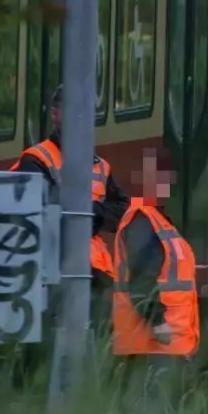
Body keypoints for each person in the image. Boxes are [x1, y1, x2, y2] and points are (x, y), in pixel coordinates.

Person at [10, 84, 128, 332]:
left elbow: (121, 209)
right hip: (51, 274)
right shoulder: (36, 159)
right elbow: (38, 212)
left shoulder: (100, 165)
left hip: (95, 276)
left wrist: (89, 213)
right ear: (56, 114)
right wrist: (90, 215)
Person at [110, 149, 199, 388]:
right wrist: (158, 322)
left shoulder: (159, 221)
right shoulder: (143, 219)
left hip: (165, 345)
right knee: (152, 407)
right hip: (152, 344)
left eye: (164, 177)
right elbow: (141, 279)